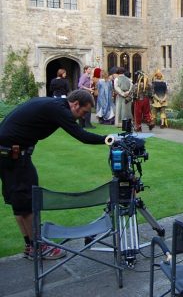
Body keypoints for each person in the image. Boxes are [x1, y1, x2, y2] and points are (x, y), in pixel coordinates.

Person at [0, 90, 108, 260]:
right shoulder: (59, 109)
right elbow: (82, 136)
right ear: (75, 104)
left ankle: (31, 246)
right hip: (15, 155)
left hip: (7, 154)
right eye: (84, 112)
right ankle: (38, 247)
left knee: (19, 202)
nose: (82, 117)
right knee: (27, 200)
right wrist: (107, 139)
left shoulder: (53, 104)